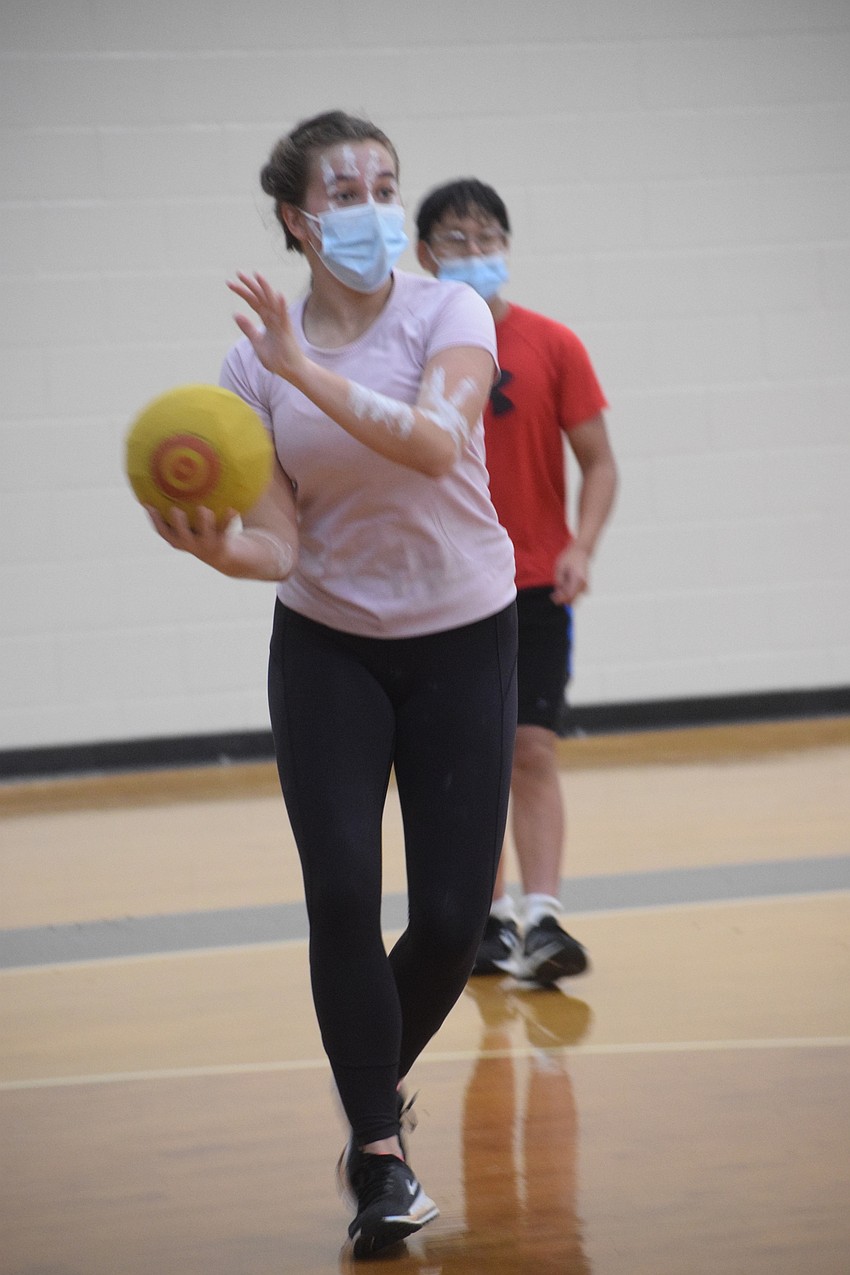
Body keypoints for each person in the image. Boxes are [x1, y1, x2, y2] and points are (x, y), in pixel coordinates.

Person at [143, 114, 517, 1259]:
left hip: (464, 634)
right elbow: (275, 541)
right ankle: (379, 1152)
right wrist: (213, 547)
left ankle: (365, 1092)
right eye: (344, 190)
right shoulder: (248, 364)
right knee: (343, 895)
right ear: (300, 220)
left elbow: (434, 443)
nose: (371, 206)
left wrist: (305, 367)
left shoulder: (449, 312)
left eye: (383, 184)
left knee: (453, 922)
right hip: (329, 648)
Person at [416, 178, 617, 986]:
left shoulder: (553, 343)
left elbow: (599, 460)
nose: (477, 252)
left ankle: (544, 917)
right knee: (466, 760)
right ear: (425, 254)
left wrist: (584, 545)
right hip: (442, 585)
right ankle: (487, 919)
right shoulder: (410, 345)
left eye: (489, 237)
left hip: (533, 582)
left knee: (532, 748)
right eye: (458, 240)